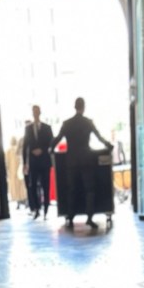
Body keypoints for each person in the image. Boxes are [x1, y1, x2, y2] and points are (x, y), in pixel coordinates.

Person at [51, 97, 112, 228]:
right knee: (89, 189)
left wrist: (50, 148)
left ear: (75, 107)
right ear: (83, 107)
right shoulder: (88, 122)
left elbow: (58, 138)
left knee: (71, 189)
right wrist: (108, 145)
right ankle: (89, 217)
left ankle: (70, 216)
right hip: (86, 159)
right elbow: (99, 137)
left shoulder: (67, 123)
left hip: (71, 161)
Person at [22, 105, 53, 219]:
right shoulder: (28, 128)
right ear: (32, 113)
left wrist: (43, 150)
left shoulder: (47, 128)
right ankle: (36, 208)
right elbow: (25, 146)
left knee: (46, 185)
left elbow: (51, 143)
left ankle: (46, 209)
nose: (35, 113)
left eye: (37, 111)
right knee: (33, 185)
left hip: (44, 161)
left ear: (40, 112)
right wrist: (25, 162)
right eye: (34, 111)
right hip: (33, 162)